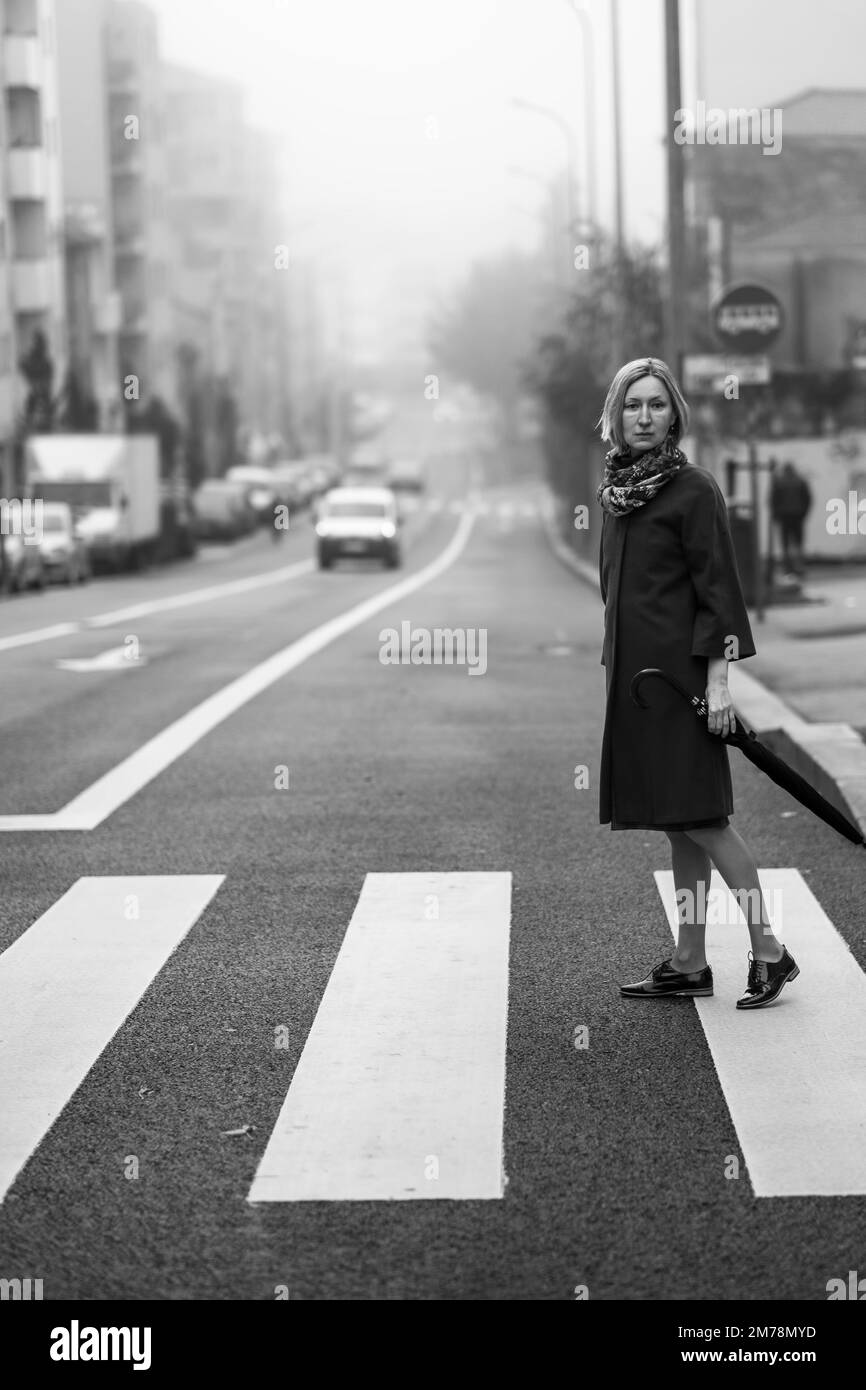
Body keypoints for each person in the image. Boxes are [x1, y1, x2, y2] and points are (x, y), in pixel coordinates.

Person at [596, 357, 800, 1009]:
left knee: (706, 821)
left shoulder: (694, 490)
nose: (646, 416)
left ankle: (770, 950)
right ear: (617, 415)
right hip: (637, 684)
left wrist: (719, 685)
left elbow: (720, 595)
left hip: (682, 681)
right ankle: (689, 960)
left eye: (658, 405)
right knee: (679, 825)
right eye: (634, 405)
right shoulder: (619, 492)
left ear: (674, 415)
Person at [770, 461, 812, 578]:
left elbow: (774, 500)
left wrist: (776, 515)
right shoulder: (800, 481)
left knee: (786, 543)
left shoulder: (779, 482)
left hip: (785, 516)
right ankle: (799, 567)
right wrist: (803, 513)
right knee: (798, 543)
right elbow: (807, 499)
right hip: (797, 516)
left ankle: (788, 568)